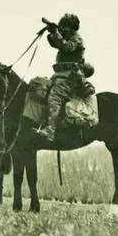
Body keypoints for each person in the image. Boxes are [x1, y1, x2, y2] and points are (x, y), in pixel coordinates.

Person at [35, 13, 85, 142]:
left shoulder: (76, 39)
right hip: (62, 76)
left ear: (72, 28)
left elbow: (67, 47)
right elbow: (54, 43)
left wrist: (56, 32)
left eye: (65, 27)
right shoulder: (66, 37)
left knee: (54, 97)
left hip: (71, 77)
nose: (63, 30)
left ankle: (50, 131)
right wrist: (53, 31)